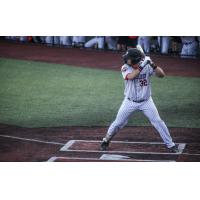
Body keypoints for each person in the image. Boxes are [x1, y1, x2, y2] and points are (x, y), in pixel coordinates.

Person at [100, 48, 179, 153]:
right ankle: (106, 140)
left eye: (128, 59)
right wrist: (143, 65)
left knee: (158, 122)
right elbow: (131, 76)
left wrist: (153, 65)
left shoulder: (147, 65)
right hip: (129, 102)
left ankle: (171, 145)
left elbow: (162, 75)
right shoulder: (125, 67)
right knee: (118, 123)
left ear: (134, 60)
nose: (126, 60)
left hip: (146, 101)